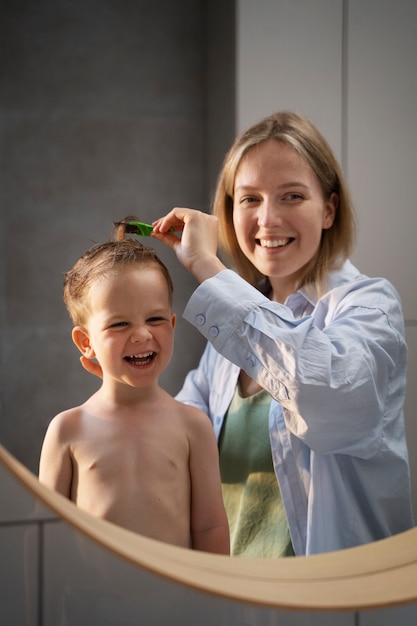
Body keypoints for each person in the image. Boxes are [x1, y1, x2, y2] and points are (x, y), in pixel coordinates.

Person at [147, 110, 414, 557]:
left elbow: (326, 396)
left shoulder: (370, 306)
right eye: (249, 199)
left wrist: (210, 269)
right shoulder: (227, 342)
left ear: (328, 210)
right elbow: (173, 444)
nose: (267, 219)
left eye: (291, 196)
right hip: (234, 599)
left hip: (327, 603)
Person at [39, 223, 230, 555]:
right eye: (119, 323)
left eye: (155, 319)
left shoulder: (192, 426)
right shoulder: (68, 431)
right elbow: (46, 533)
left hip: (174, 603)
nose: (142, 335)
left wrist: (219, 604)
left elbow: (210, 525)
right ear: (87, 343)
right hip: (93, 603)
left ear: (172, 324)